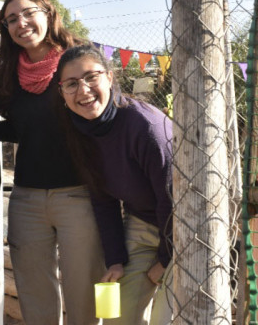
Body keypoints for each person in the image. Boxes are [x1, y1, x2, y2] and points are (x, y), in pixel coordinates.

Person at [0, 0, 106, 325]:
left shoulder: (78, 60)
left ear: (48, 13)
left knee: (85, 289)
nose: (21, 23)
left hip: (79, 194)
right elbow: (22, 128)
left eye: (28, 13)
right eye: (11, 19)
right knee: (34, 293)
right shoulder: (8, 70)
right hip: (27, 197)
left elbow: (105, 115)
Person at [55, 44, 174, 325]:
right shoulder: (78, 130)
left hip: (185, 228)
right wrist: (116, 259)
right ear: (62, 93)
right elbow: (102, 198)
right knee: (115, 317)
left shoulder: (146, 126)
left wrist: (167, 260)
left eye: (91, 77)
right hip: (142, 224)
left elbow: (172, 197)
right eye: (72, 84)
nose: (83, 91)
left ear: (109, 77)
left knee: (165, 319)